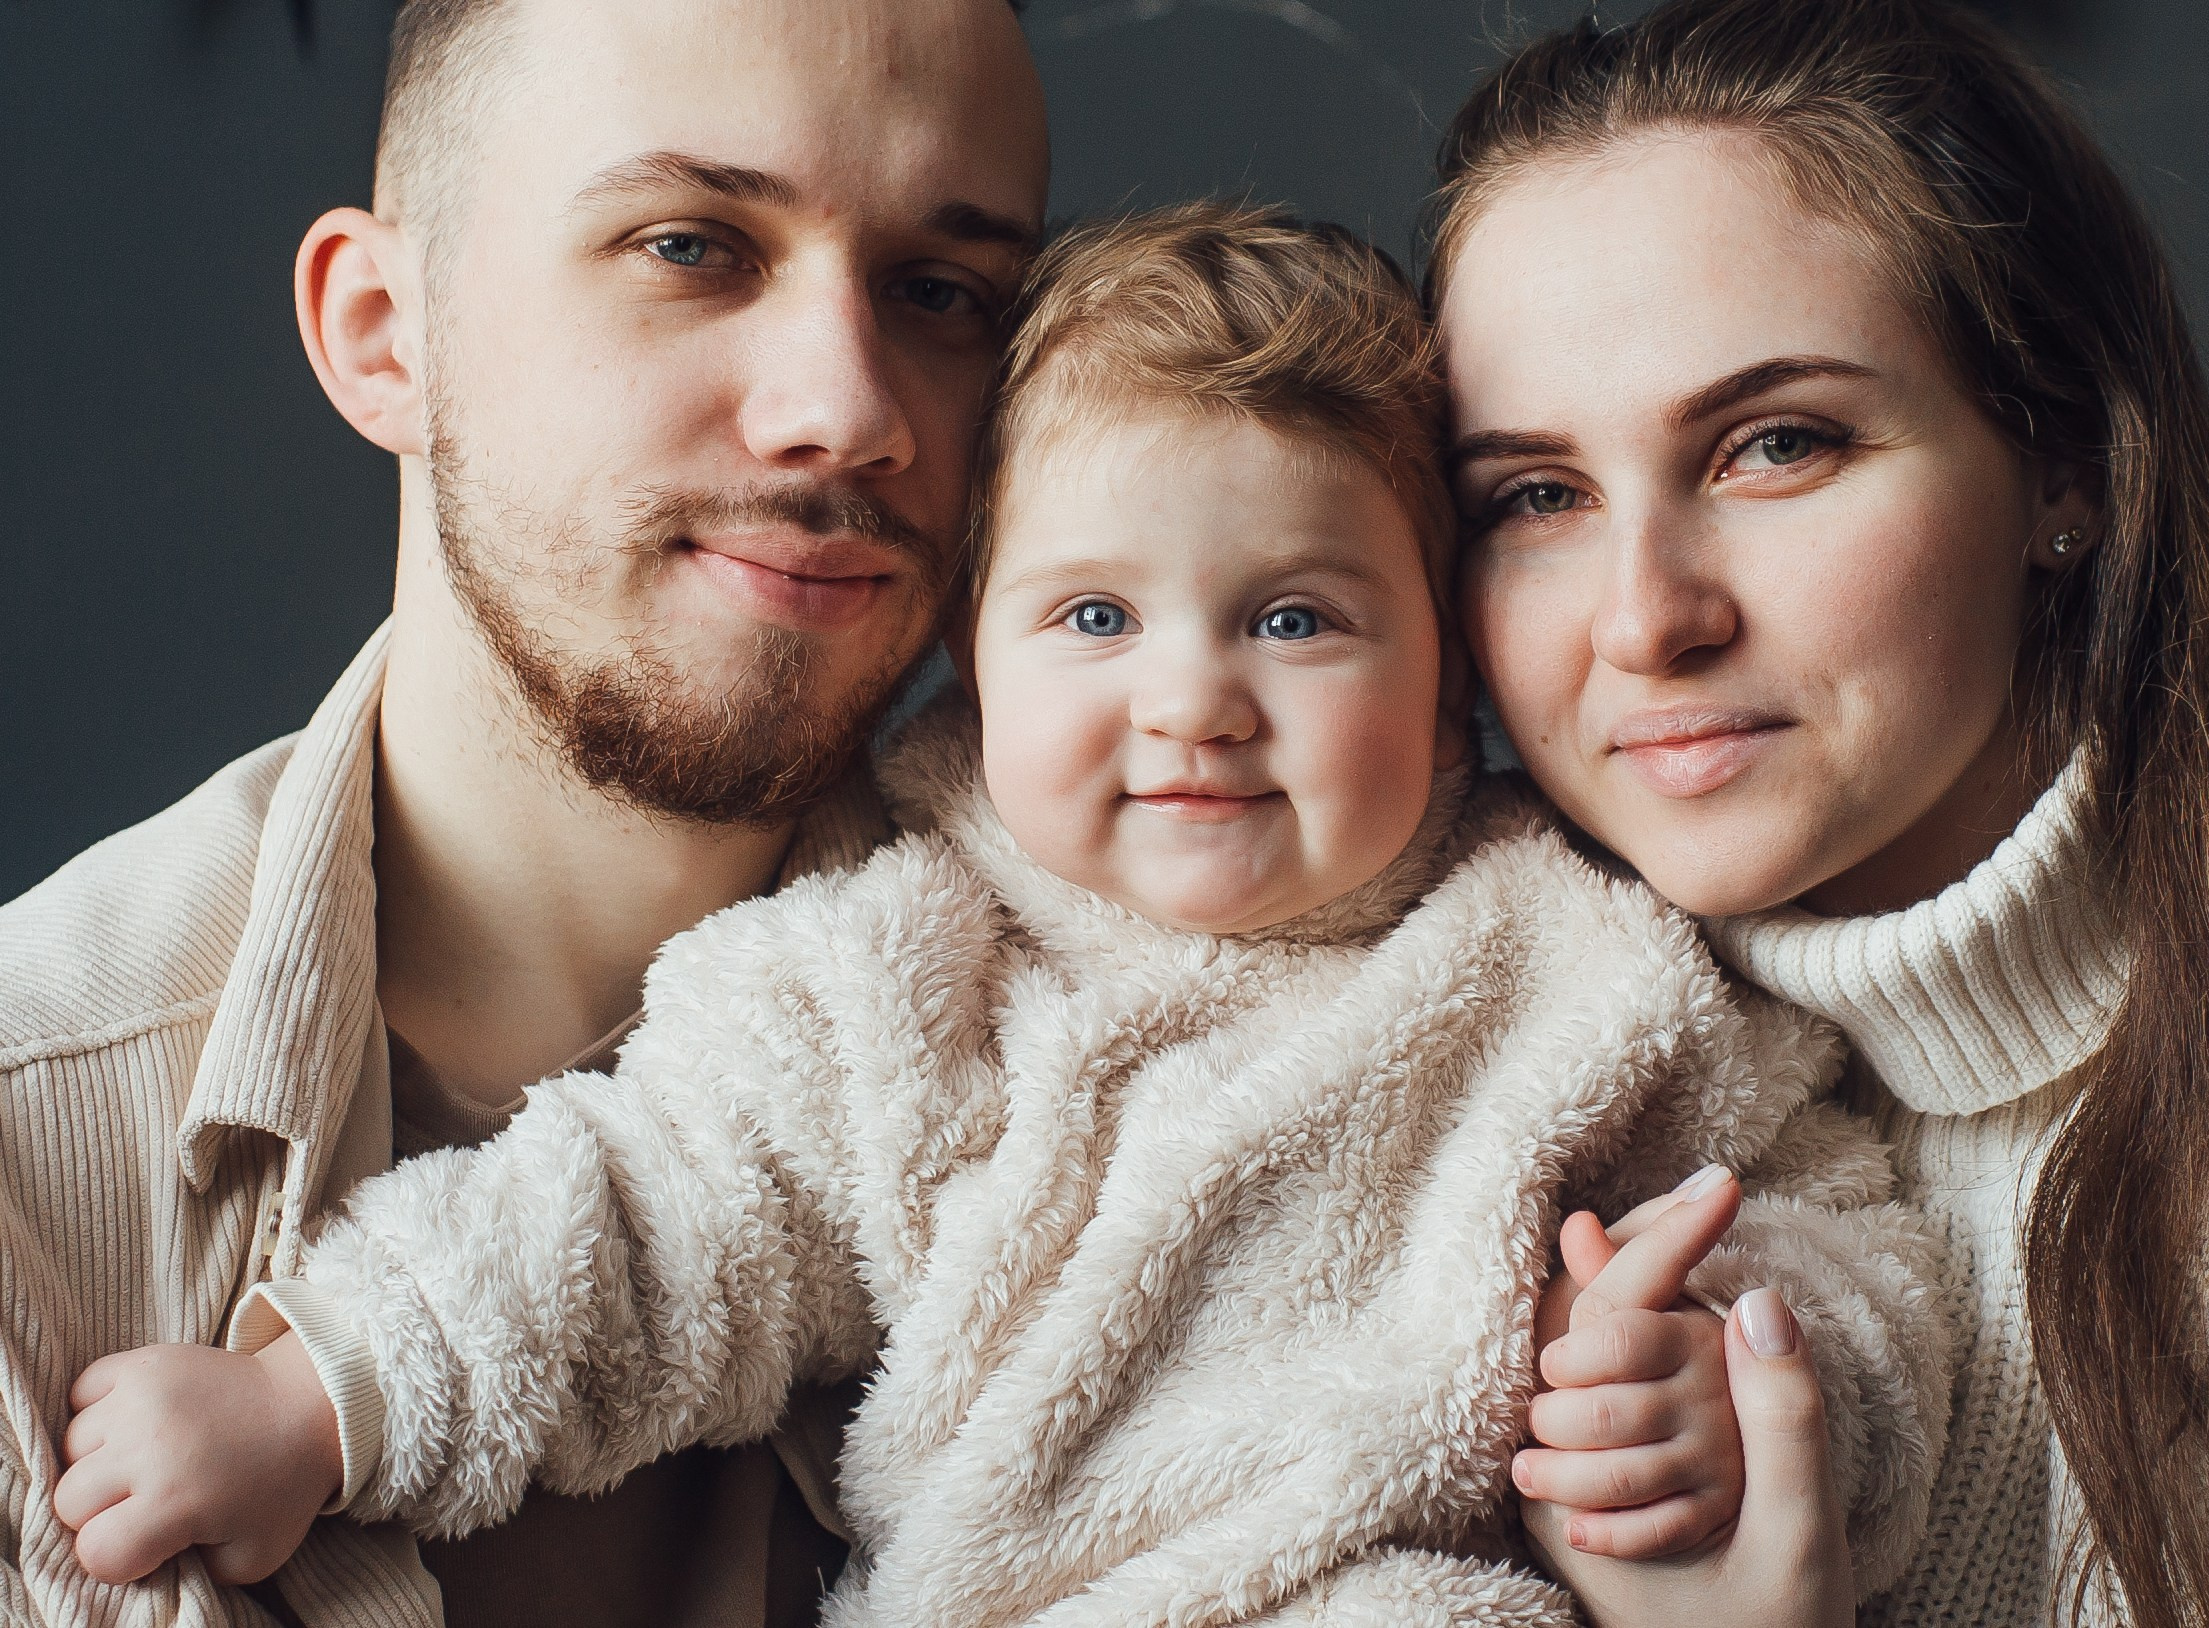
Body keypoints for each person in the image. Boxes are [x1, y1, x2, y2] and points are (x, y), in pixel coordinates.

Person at [55, 205, 1960, 1624]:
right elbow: (625, 1223)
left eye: (1296, 617)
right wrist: (317, 1403)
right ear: (970, 658)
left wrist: (1731, 1379)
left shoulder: (1582, 960)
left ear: (1448, 661)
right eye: (1095, 618)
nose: (1193, 700)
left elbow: (1853, 1238)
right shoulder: (907, 965)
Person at [0, 0, 1048, 1621]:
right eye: (693, 245)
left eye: (941, 292)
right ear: (381, 330)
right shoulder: (23, 1170)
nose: (848, 409)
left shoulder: (1145, 1063)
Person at [1427, 0, 2209, 1624]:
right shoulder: (1446, 1109)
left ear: (2067, 468)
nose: (1643, 619)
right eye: (1536, 497)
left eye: (1776, 445)